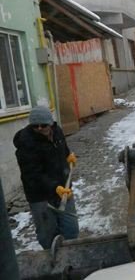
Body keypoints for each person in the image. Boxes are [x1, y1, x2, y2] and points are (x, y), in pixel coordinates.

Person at [13, 106, 79, 249]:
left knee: (71, 229)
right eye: (35, 126)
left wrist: (68, 155)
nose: (40, 128)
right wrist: (54, 187)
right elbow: (32, 174)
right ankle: (53, 262)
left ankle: (71, 256)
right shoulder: (26, 143)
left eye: (43, 125)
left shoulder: (57, 131)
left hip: (63, 189)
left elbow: (62, 147)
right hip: (41, 196)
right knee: (48, 236)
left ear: (51, 123)